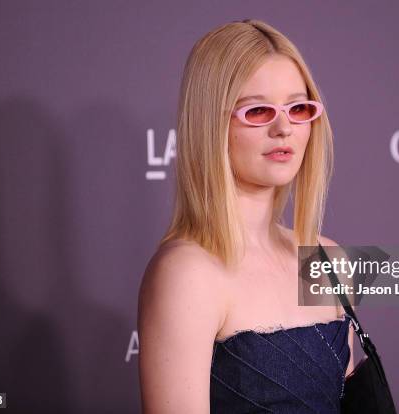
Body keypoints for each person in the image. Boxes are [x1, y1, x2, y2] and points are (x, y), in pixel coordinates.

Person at [138, 19, 354, 413]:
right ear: (211, 124)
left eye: (298, 107)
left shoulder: (326, 259)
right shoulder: (187, 273)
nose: (284, 127)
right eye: (257, 111)